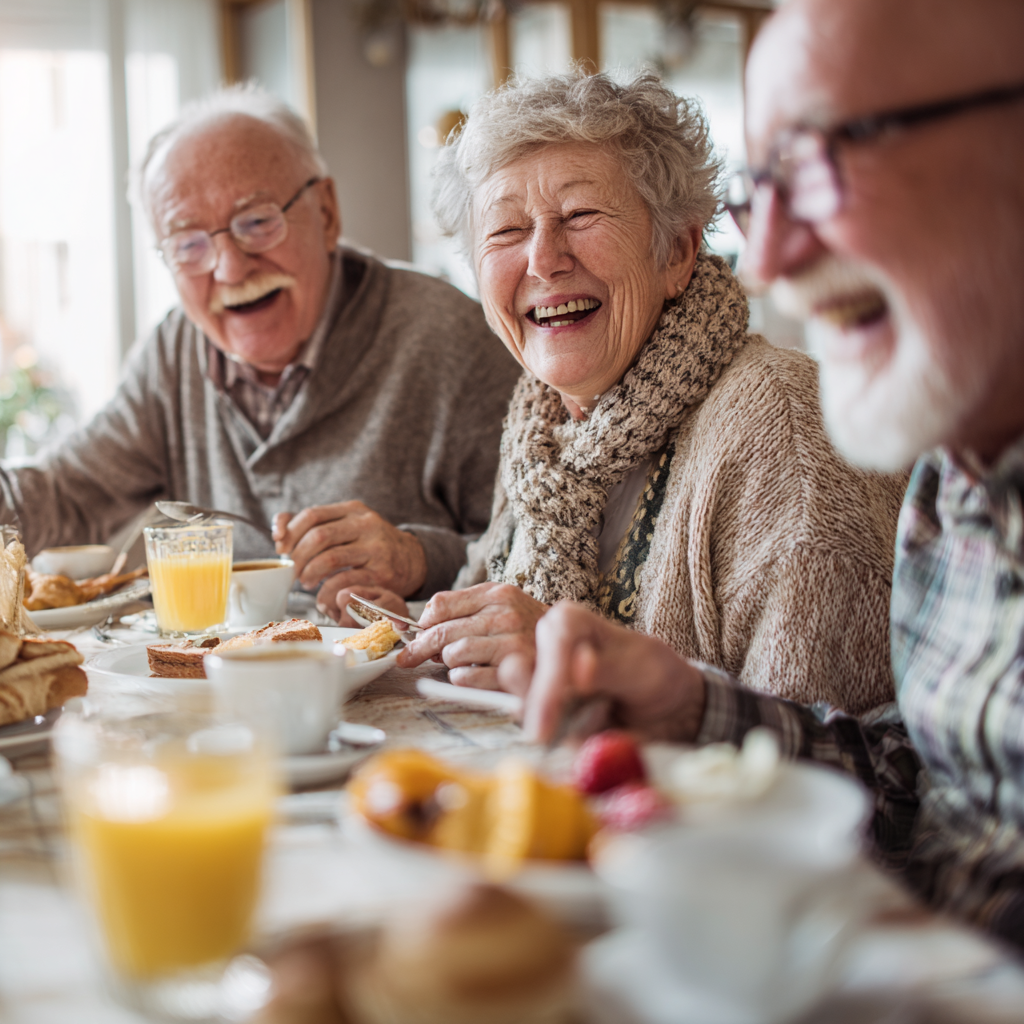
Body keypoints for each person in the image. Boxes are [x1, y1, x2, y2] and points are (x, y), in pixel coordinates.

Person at [508, 0, 1024, 946]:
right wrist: (694, 709)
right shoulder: (960, 479)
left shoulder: (792, 427)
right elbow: (927, 793)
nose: (774, 260)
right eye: (767, 186)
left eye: (834, 160)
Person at [374, 70, 905, 716]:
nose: (543, 260)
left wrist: (581, 669)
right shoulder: (542, 431)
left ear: (677, 253)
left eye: (579, 215)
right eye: (507, 232)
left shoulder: (786, 431)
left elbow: (817, 775)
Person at [0, 85, 520, 611]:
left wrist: (416, 558)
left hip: (408, 687)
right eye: (188, 244)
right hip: (220, 686)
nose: (229, 268)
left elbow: (536, 551)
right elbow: (64, 494)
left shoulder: (451, 338)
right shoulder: (175, 350)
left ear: (327, 212)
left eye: (256, 221)